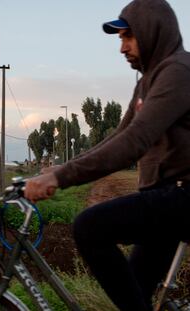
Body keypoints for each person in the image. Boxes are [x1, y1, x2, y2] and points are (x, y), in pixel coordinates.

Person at [24, 0, 190, 310]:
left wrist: (60, 177)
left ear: (152, 32)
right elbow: (118, 136)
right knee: (135, 292)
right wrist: (61, 169)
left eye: (128, 37)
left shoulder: (179, 71)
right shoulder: (146, 83)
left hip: (182, 198)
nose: (122, 48)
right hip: (164, 197)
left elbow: (135, 140)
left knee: (89, 227)